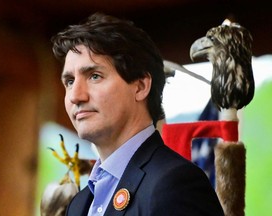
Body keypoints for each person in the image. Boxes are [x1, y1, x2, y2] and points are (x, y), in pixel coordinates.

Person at [51, 12, 224, 216]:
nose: (75, 96)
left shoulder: (175, 184)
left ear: (141, 86)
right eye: (69, 81)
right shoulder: (78, 205)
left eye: (95, 76)